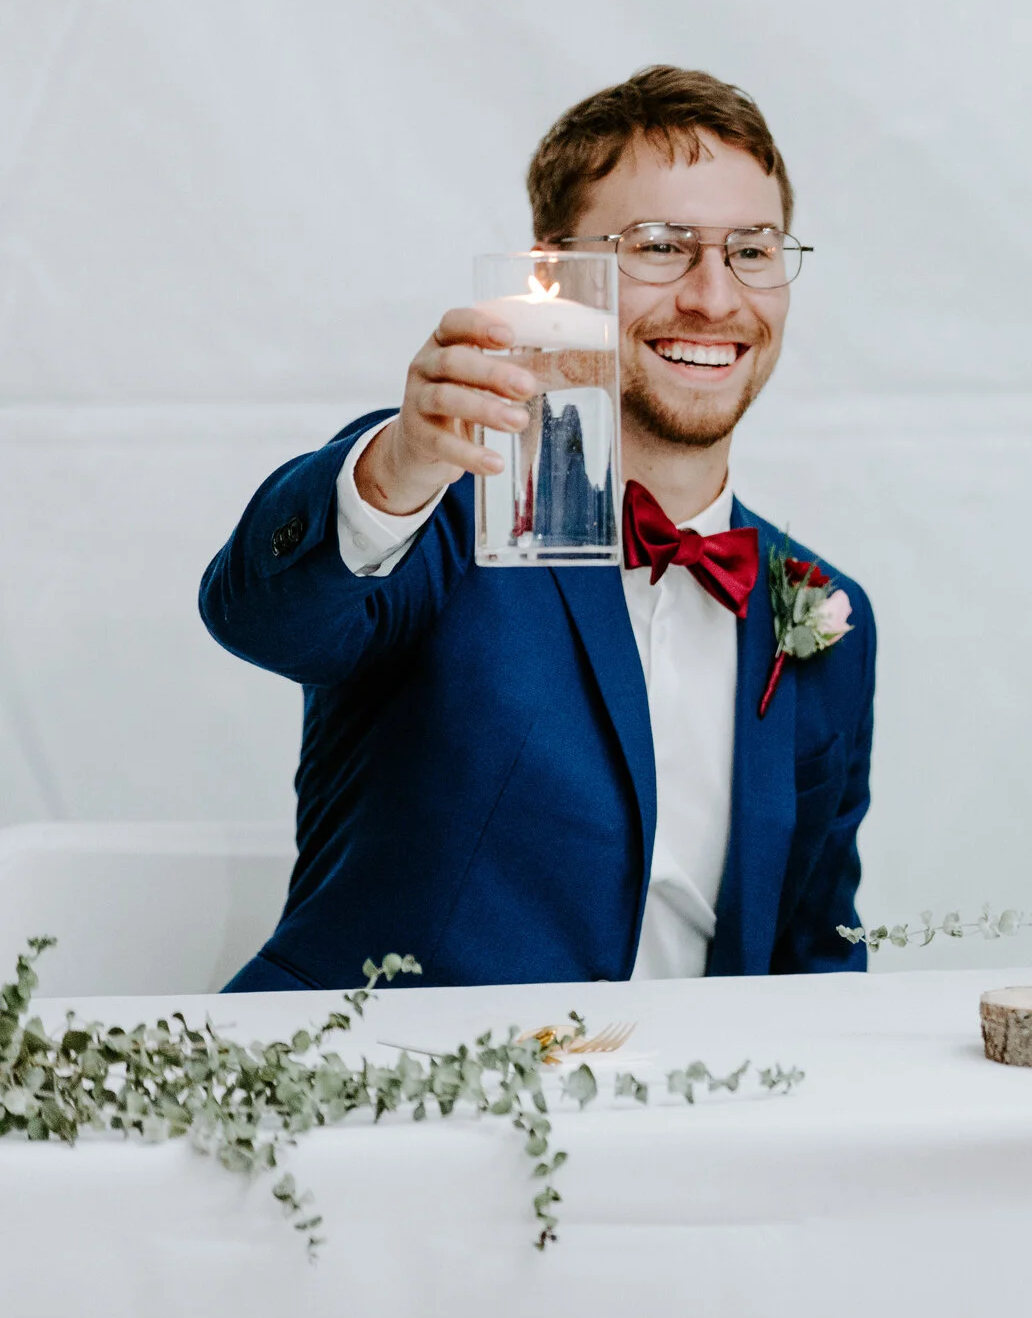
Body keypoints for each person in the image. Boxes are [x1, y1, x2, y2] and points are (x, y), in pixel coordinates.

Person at [200, 66, 875, 990]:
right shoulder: (439, 503)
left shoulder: (829, 611)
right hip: (378, 1107)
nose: (715, 298)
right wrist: (399, 466)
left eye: (752, 251)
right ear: (556, 274)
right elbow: (264, 617)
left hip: (686, 1123)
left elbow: (815, 961)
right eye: (662, 245)